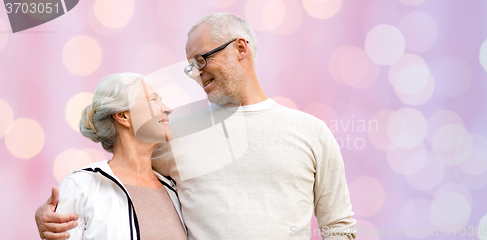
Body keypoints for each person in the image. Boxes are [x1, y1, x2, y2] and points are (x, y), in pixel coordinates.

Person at [36, 13, 356, 239]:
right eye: (190, 66)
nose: (196, 73)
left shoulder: (311, 132)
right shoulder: (173, 130)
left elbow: (339, 226)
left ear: (240, 48)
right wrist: (50, 217)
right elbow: (120, 170)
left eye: (202, 60)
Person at [39, 73, 188, 240]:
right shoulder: (82, 187)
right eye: (153, 100)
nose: (167, 108)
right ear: (123, 116)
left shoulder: (175, 190)